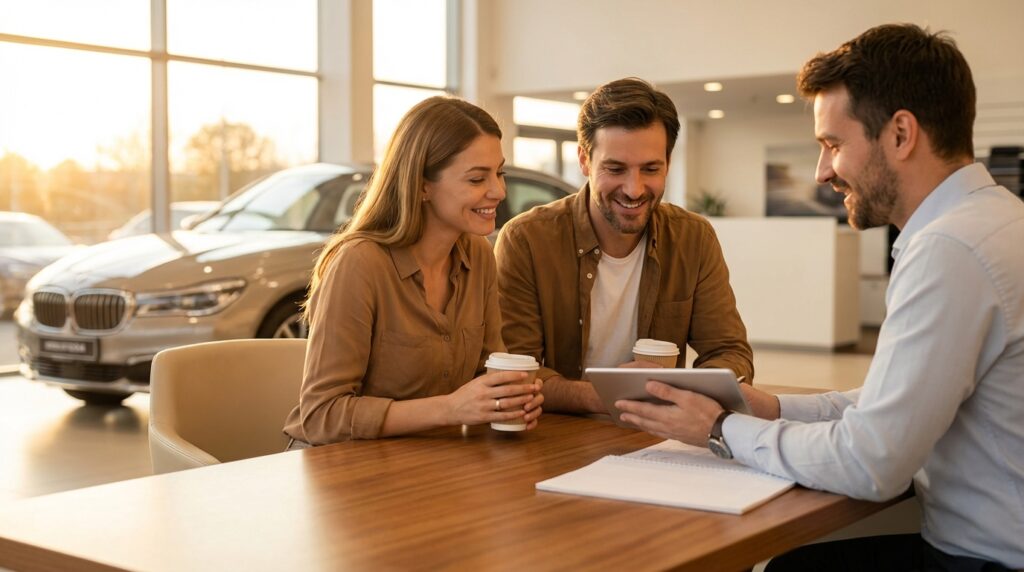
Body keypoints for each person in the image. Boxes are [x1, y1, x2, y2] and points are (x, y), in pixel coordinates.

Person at [616, 24, 1024, 571]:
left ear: (901, 134)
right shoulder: (994, 222)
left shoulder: (950, 249)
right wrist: (773, 407)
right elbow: (892, 401)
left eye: (833, 145)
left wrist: (718, 430)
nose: (822, 170)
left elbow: (871, 462)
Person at [283, 97, 543, 445]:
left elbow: (488, 370)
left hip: (425, 463)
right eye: (478, 178)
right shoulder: (360, 264)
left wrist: (510, 399)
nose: (499, 191)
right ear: (422, 185)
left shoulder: (479, 256)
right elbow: (321, 415)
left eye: (499, 173)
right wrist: (450, 409)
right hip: (339, 471)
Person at [494, 77, 754, 414]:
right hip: (558, 435)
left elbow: (730, 352)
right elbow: (517, 369)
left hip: (659, 433)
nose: (634, 189)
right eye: (615, 169)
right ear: (585, 160)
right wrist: (610, 395)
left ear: (668, 163)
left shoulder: (694, 238)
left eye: (650, 169)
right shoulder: (526, 239)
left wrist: (689, 391)